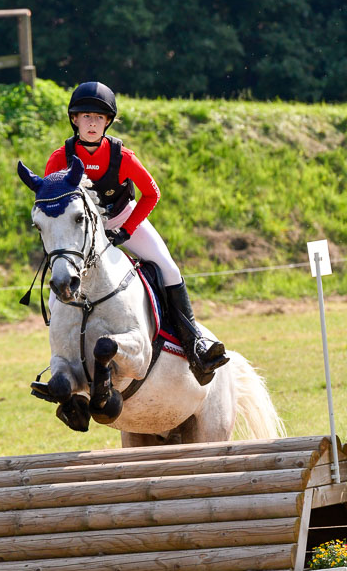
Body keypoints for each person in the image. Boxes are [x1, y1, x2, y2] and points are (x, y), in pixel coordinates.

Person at [44, 81, 228, 385]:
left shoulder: (123, 157)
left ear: (107, 122)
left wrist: (126, 229)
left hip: (122, 217)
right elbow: (53, 204)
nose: (92, 123)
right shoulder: (59, 158)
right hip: (82, 230)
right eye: (86, 116)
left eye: (99, 118)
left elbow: (151, 194)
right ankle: (61, 360)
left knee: (168, 267)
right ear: (74, 119)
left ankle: (195, 343)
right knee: (60, 282)